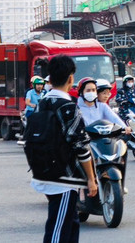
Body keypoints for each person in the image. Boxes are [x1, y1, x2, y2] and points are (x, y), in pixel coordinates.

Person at [32, 54, 99, 243]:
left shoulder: (42, 103)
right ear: (71, 78)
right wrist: (91, 179)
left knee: (71, 222)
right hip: (63, 178)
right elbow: (81, 147)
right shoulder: (68, 106)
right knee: (58, 229)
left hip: (44, 171)